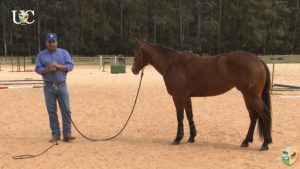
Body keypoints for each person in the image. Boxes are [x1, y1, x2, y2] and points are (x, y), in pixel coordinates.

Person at [35, 33, 75, 142]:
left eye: (53, 41)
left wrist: (58, 66)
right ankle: (55, 134)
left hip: (62, 85)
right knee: (52, 111)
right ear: (46, 43)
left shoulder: (64, 53)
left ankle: (67, 134)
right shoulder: (41, 55)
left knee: (66, 110)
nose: (51, 44)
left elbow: (70, 66)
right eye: (49, 42)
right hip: (48, 87)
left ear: (56, 42)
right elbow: (37, 69)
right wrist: (48, 69)